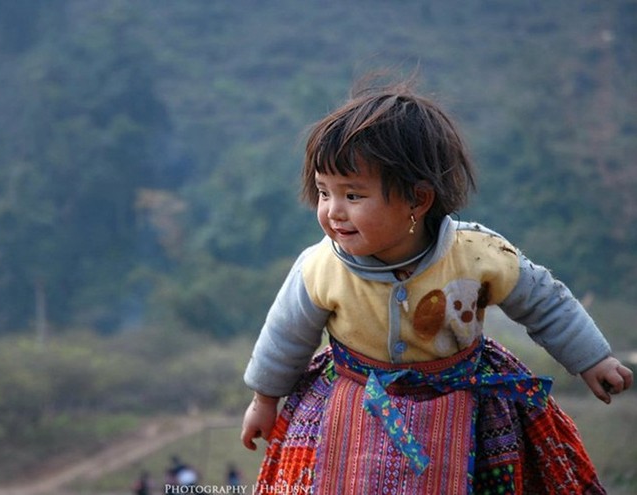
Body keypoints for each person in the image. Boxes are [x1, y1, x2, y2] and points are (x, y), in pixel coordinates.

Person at [240, 74, 633, 494]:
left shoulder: (477, 254)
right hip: (354, 402)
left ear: (417, 200)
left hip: (467, 403)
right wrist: (264, 402)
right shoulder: (319, 267)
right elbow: (285, 338)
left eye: (353, 196)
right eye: (324, 193)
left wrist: (593, 360)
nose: (333, 211)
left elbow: (545, 303)